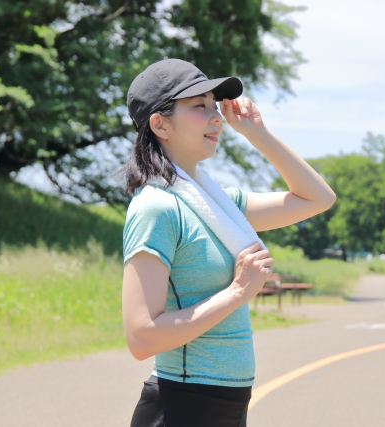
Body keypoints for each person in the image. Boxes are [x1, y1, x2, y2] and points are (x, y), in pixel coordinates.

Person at [120, 59, 336, 427]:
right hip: (182, 404)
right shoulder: (157, 209)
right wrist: (237, 291)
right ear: (160, 124)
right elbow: (141, 337)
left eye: (214, 105)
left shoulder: (220, 204)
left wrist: (258, 134)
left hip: (226, 401)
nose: (217, 116)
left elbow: (317, 198)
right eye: (199, 106)